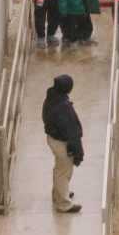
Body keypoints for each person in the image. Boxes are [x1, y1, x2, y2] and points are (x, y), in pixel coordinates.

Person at [43, 75, 85, 214]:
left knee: (59, 169)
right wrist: (78, 151)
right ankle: (63, 204)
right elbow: (71, 130)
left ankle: (60, 193)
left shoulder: (51, 97)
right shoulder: (63, 106)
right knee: (63, 171)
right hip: (61, 143)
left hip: (52, 139)